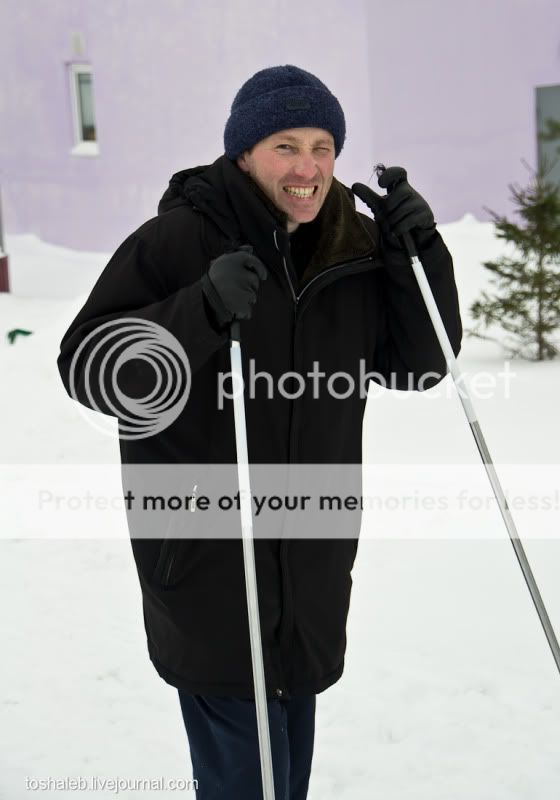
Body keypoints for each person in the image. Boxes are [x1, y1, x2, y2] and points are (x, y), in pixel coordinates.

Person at [57, 64, 462, 800]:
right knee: (247, 779)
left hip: (307, 570)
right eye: (285, 146)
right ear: (244, 154)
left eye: (322, 147)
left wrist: (419, 257)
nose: (308, 169)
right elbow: (89, 369)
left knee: (285, 777)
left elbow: (418, 367)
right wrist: (201, 310)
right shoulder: (178, 242)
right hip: (210, 566)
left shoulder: (355, 248)